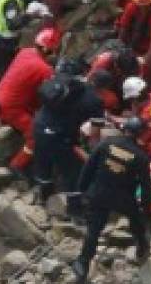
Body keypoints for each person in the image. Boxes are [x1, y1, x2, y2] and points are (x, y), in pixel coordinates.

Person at [71, 116, 151, 284]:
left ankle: (82, 265)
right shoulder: (140, 157)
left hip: (99, 194)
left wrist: (82, 190)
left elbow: (89, 168)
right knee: (137, 221)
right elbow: (146, 186)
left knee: (93, 231)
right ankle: (142, 246)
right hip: (123, 198)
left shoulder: (106, 143)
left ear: (124, 129)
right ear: (139, 134)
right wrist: (146, 208)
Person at [32, 63, 106, 210]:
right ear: (104, 88)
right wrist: (96, 159)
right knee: (73, 172)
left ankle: (44, 196)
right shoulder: (95, 102)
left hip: (39, 126)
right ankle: (75, 210)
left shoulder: (62, 85)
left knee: (43, 163)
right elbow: (94, 138)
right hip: (59, 136)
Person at [0, 27, 58, 171]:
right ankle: (16, 167)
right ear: (50, 50)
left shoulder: (25, 52)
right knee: (35, 137)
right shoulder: (45, 70)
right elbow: (47, 96)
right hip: (11, 108)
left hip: (0, 97)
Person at [88, 46, 140, 113]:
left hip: (114, 84)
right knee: (112, 100)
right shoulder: (102, 63)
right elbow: (89, 85)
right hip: (100, 89)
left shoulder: (131, 63)